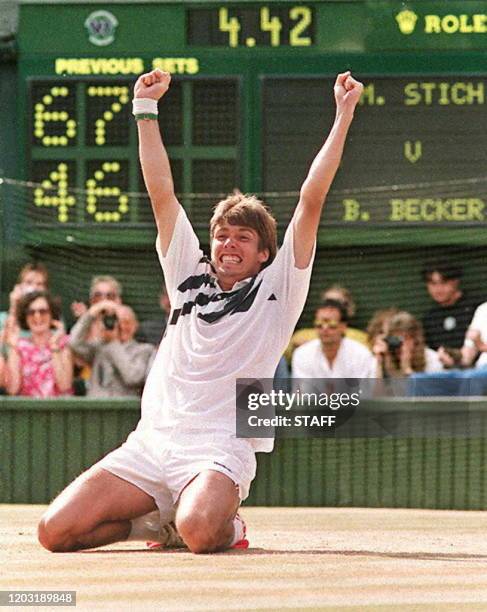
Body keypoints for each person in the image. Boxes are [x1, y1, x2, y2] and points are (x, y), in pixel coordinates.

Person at [37, 68, 364, 554]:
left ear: (264, 254)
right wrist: (144, 110)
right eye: (222, 236)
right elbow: (160, 193)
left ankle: (225, 524)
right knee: (53, 532)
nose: (229, 244)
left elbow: (311, 199)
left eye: (244, 238)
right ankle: (150, 526)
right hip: (151, 441)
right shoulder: (186, 273)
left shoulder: (280, 289)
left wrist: (343, 113)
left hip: (221, 445)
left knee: (201, 533)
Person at [69, 301, 154, 398]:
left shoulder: (144, 350)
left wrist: (114, 343)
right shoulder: (99, 348)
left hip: (123, 410)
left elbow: (133, 377)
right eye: (117, 322)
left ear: (135, 325)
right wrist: (91, 313)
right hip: (95, 407)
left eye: (126, 322)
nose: (121, 326)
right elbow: (74, 342)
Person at [3, 290, 73, 397]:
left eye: (43, 311)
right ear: (25, 317)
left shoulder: (63, 343)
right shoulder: (20, 346)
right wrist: (13, 347)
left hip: (59, 410)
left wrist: (54, 347)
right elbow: (13, 389)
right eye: (31, 312)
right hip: (29, 411)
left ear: (51, 315)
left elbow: (64, 385)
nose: (37, 316)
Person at [292, 299, 375, 379]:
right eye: (319, 324)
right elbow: (303, 391)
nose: (325, 328)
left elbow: (363, 391)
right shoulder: (302, 354)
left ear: (343, 326)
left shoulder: (361, 354)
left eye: (332, 324)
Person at [285, 284, 368, 362]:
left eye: (338, 303)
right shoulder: (301, 335)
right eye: (327, 302)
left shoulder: (362, 339)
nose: (331, 308)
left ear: (350, 309)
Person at [421, 261, 478, 352]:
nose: (438, 289)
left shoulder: (477, 309)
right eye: (433, 284)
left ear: (456, 282)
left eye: (443, 282)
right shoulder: (429, 318)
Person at [372, 310, 443, 378]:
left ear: (415, 340)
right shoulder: (385, 358)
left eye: (405, 338)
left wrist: (406, 368)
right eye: (396, 339)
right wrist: (380, 364)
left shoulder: (432, 359)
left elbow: (428, 390)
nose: (400, 344)